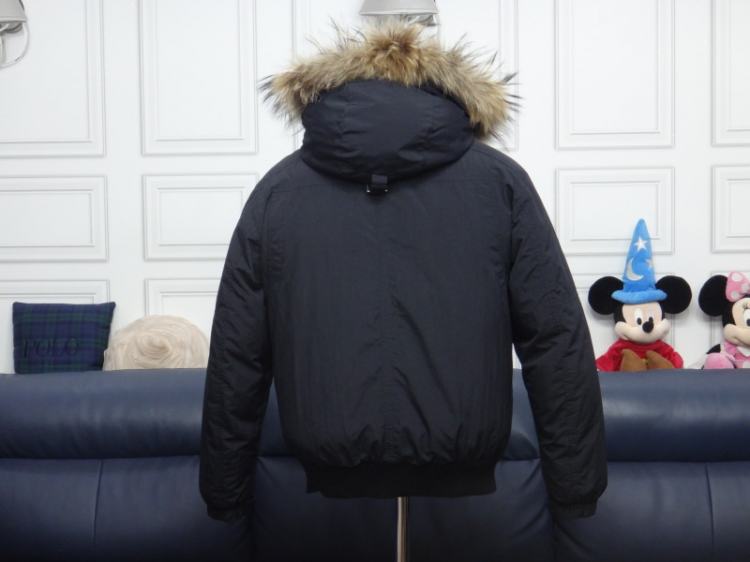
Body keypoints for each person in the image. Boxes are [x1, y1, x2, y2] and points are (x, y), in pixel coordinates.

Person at [199, 18, 607, 526]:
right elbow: (554, 337)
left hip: (327, 445)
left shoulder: (279, 191)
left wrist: (225, 490)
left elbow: (239, 351)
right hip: (462, 444)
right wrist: (575, 487)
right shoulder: (499, 183)